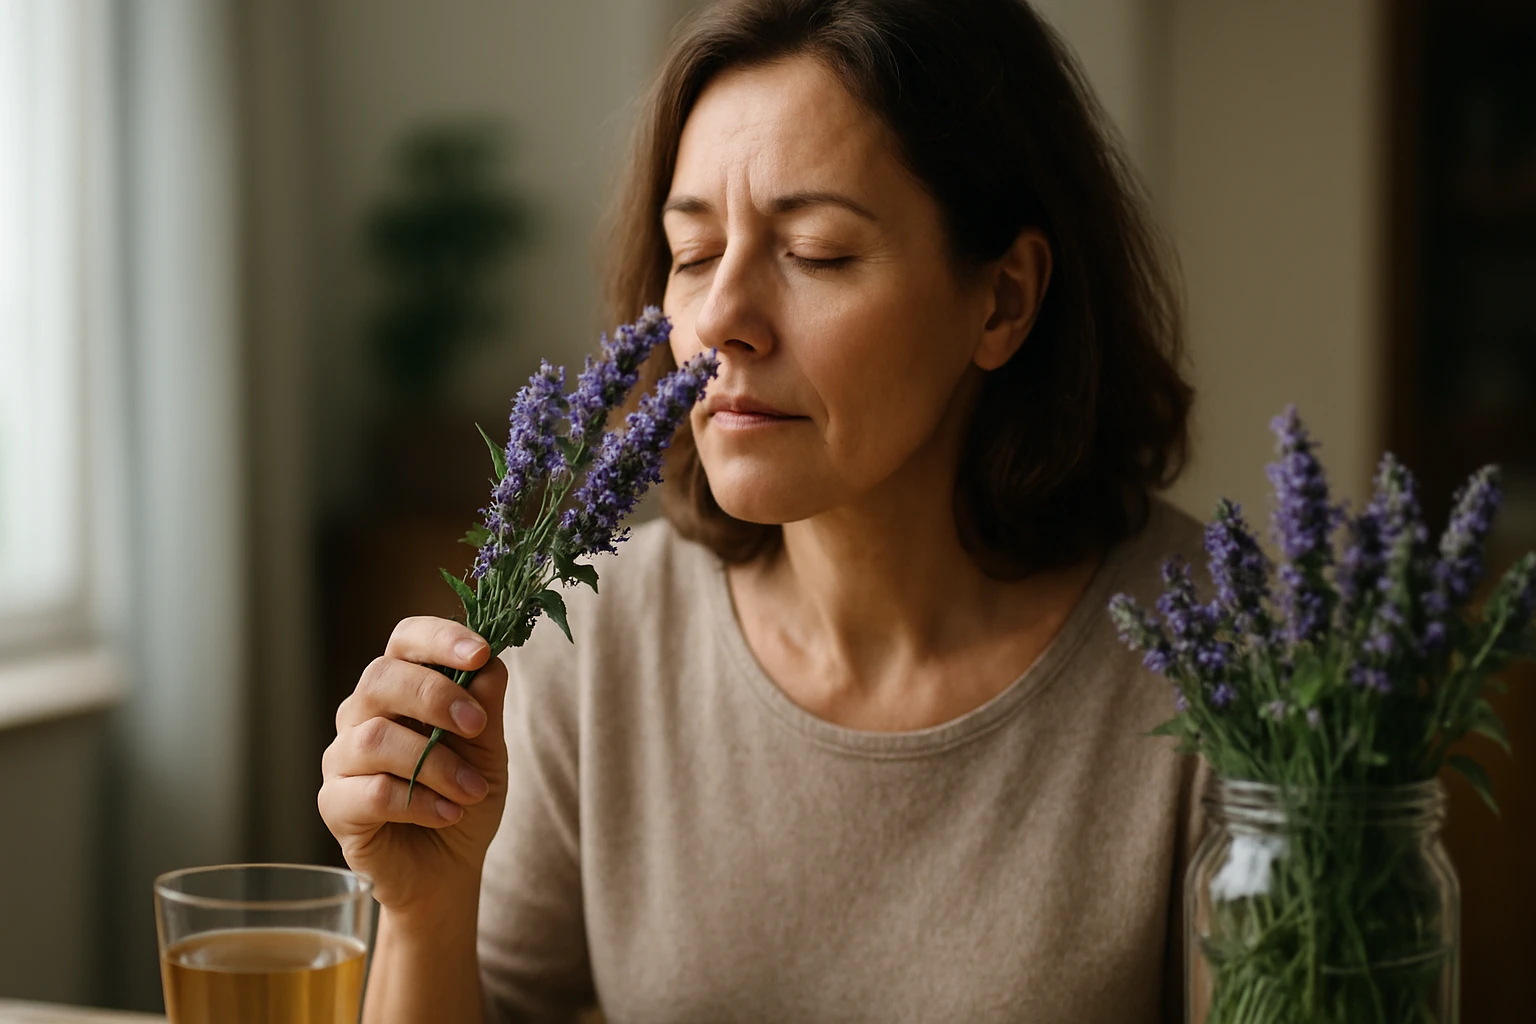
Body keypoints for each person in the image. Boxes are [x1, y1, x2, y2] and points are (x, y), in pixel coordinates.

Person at [319, 1, 1212, 1020]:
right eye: (693, 255)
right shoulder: (600, 643)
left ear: (1002, 299)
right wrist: (429, 908)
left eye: (818, 252)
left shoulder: (1221, 662)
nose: (721, 321)